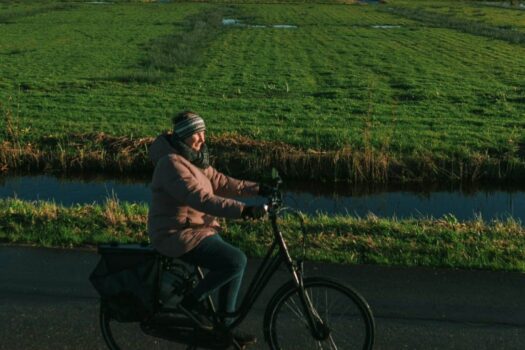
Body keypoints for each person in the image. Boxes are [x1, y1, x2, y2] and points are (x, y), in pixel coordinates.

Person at [147, 111, 270, 346]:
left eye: (203, 132)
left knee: (234, 263)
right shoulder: (171, 164)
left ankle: (224, 329)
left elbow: (221, 182)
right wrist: (243, 210)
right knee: (235, 260)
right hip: (176, 234)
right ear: (184, 136)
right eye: (197, 134)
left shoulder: (193, 158)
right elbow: (201, 199)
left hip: (198, 230)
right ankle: (191, 302)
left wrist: (259, 188)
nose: (203, 138)